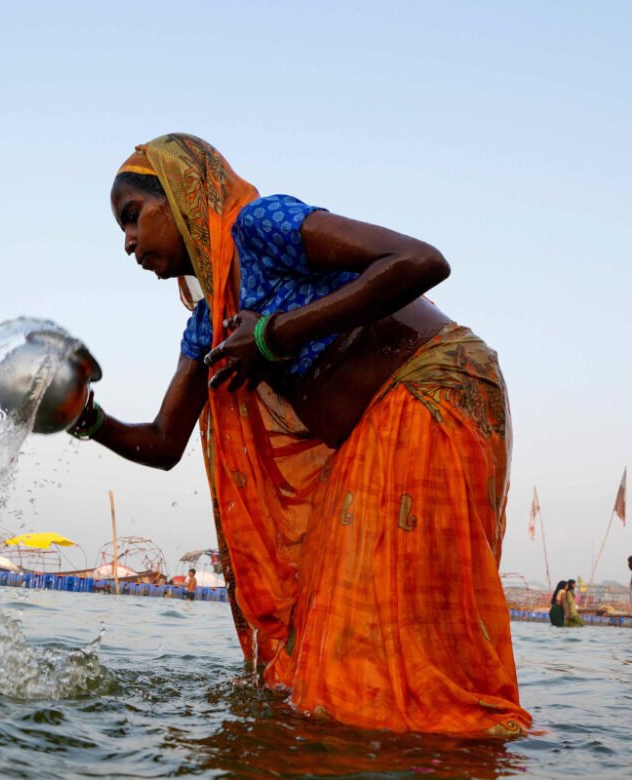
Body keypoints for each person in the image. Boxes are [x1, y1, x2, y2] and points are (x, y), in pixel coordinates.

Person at [69, 133, 529, 735]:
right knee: (340, 642)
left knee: (381, 637)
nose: (128, 242)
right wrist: (83, 416)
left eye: (132, 216)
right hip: (370, 428)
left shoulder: (260, 227)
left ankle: (448, 747)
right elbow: (163, 441)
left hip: (430, 390)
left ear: (182, 194)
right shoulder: (209, 324)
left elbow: (420, 262)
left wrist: (275, 334)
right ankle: (396, 751)